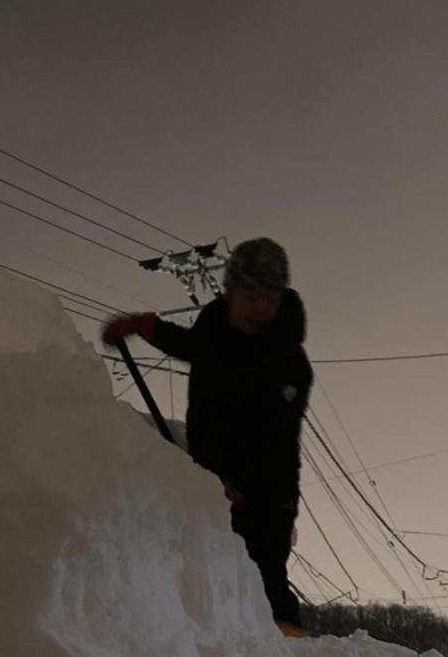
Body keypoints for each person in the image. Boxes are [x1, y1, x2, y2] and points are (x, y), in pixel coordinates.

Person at [102, 238, 313, 634]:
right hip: (211, 475)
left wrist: (236, 484)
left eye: (269, 298)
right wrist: (143, 327)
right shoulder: (215, 327)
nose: (260, 308)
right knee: (202, 576)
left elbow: (274, 437)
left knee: (264, 578)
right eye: (251, 296)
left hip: (267, 490)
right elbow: (193, 346)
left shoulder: (287, 360)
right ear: (231, 291)